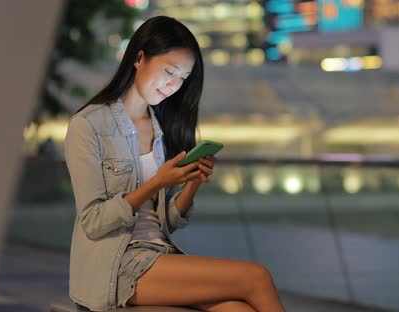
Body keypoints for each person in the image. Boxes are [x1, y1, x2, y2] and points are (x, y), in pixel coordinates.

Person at [64, 16, 285, 312]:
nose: (173, 85)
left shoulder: (159, 128)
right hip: (115, 268)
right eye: (169, 71)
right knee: (256, 277)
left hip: (158, 254)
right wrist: (157, 182)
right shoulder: (88, 125)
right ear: (139, 58)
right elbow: (93, 221)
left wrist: (192, 181)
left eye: (182, 78)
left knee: (238, 309)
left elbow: (168, 220)